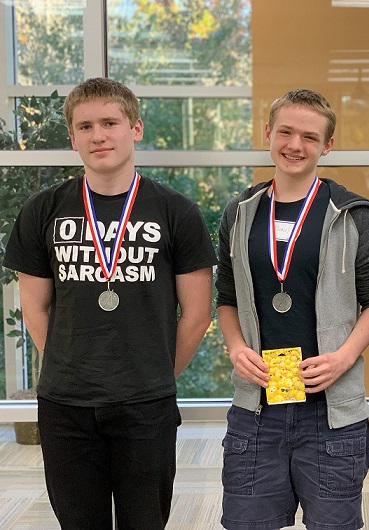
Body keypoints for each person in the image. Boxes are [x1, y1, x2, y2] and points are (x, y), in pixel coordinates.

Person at [2, 77, 216, 528]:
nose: (98, 135)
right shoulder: (42, 210)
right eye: (85, 126)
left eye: (110, 122)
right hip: (65, 407)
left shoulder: (176, 212)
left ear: (135, 128)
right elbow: (35, 311)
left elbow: (197, 315)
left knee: (145, 523)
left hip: (146, 406)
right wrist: (68, 364)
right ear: (72, 136)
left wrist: (154, 372)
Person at [215, 88, 369, 530]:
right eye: (286, 132)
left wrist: (343, 358)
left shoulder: (353, 217)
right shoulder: (238, 214)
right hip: (257, 408)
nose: (296, 145)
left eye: (310, 137)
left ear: (327, 145)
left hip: (331, 413)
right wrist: (236, 349)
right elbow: (227, 297)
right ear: (268, 132)